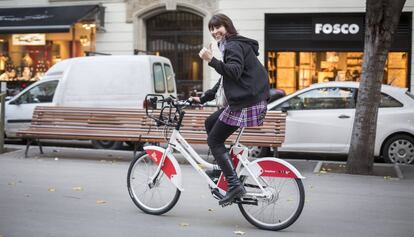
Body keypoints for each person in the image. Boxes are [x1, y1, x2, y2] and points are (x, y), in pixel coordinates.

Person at [190, 13, 269, 206]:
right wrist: (203, 97)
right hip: (247, 100)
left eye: (218, 27)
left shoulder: (233, 45)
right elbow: (226, 79)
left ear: (228, 27)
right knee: (210, 123)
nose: (215, 32)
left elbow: (232, 71)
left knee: (214, 139)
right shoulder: (231, 44)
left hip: (246, 103)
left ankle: (233, 184)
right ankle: (223, 169)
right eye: (212, 29)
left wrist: (211, 60)